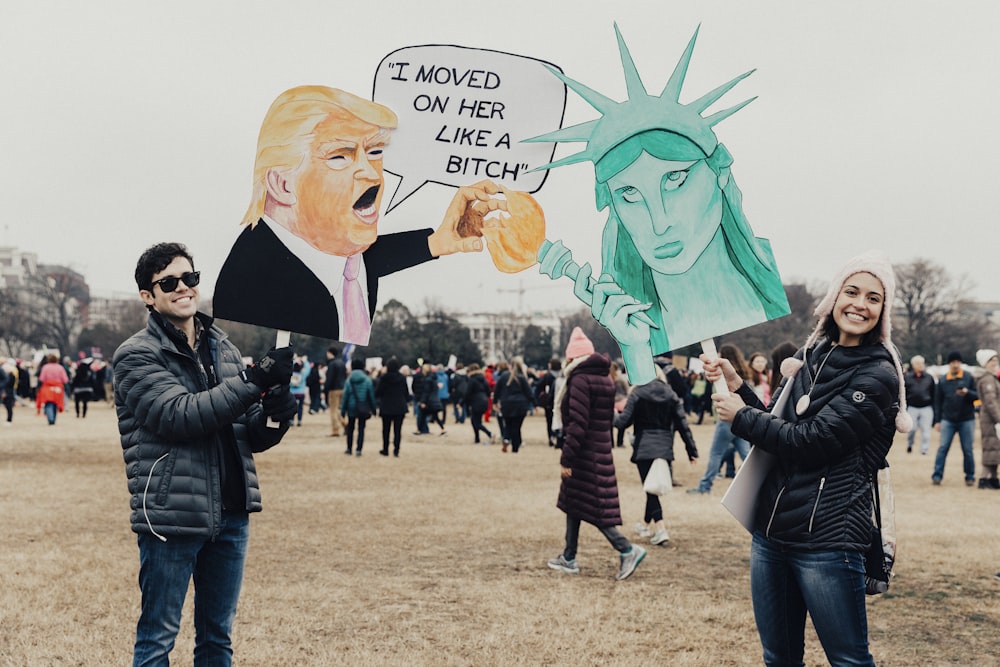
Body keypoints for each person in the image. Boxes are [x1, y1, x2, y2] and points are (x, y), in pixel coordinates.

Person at [535, 27, 788, 386]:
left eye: (676, 179)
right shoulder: (635, 319)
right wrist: (635, 348)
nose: (659, 222)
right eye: (629, 194)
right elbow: (647, 410)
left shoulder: (761, 287)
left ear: (719, 169)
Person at [703, 252, 910, 666]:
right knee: (778, 657)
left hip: (829, 542)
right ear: (834, 298)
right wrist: (739, 386)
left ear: (882, 311)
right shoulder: (810, 354)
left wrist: (739, 418)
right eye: (851, 292)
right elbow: (777, 422)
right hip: (771, 535)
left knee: (848, 660)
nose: (860, 304)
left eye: (873, 298)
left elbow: (812, 441)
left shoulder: (879, 375)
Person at [113, 242, 296, 666]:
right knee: (158, 638)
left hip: (231, 512)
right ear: (148, 296)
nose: (183, 288)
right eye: (169, 282)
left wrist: (274, 415)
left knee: (218, 639)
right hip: (173, 513)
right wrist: (254, 381)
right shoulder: (137, 354)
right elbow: (179, 416)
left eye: (189, 278)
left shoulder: (224, 348)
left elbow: (248, 432)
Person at [213, 85, 506, 344]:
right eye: (340, 156)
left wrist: (439, 240)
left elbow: (368, 261)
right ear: (283, 184)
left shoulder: (335, 250)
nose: (371, 173)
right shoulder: (251, 284)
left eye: (375, 152)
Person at [546, 327, 646, 581]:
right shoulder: (604, 378)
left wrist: (566, 457)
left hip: (584, 452)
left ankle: (626, 549)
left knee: (595, 508)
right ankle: (569, 556)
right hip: (599, 447)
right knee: (574, 502)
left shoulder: (579, 379)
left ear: (572, 357)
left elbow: (578, 424)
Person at [615, 366, 697, 546]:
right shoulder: (671, 394)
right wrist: (692, 451)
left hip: (644, 447)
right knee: (650, 488)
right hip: (664, 447)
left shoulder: (637, 393)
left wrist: (609, 413)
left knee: (650, 490)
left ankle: (661, 529)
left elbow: (622, 422)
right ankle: (644, 525)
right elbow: (683, 425)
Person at [689, 344, 752, 495]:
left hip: (725, 420)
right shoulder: (743, 373)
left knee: (716, 454)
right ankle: (756, 482)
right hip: (741, 418)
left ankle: (705, 486)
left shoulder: (720, 374)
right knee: (747, 455)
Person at [932, 350, 978, 486]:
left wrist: (967, 392)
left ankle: (970, 476)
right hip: (948, 419)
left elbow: (977, 396)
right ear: (949, 364)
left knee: (968, 450)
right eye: (953, 362)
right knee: (943, 448)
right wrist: (937, 421)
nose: (956, 364)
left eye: (958, 362)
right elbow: (937, 402)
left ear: (961, 363)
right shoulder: (943, 380)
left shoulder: (969, 377)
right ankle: (937, 476)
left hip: (967, 419)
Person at [494, 356, 533, 453]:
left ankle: (506, 438)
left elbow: (497, 390)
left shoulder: (503, 376)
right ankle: (515, 447)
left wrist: (495, 402)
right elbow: (528, 392)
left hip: (506, 403)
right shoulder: (522, 377)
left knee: (507, 424)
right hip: (520, 404)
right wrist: (535, 403)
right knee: (516, 426)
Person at [974, 349, 1000, 489]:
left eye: (996, 359)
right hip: (990, 419)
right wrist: (998, 419)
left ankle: (993, 477)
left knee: (994, 448)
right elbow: (991, 402)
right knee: (991, 448)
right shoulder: (987, 379)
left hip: (992, 418)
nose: (995, 362)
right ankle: (985, 478)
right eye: (992, 360)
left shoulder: (991, 377)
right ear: (986, 363)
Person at [341, 359, 377, 456]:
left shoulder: (349, 380)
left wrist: (343, 410)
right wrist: (374, 409)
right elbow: (371, 396)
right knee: (361, 428)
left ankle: (349, 448)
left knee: (350, 428)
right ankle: (359, 449)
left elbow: (345, 396)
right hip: (363, 407)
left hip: (351, 407)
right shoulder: (367, 380)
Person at [375, 357, 409, 457]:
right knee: (397, 430)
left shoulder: (384, 378)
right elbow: (406, 392)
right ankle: (396, 450)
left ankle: (385, 449)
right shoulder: (402, 378)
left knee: (386, 430)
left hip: (386, 406)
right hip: (399, 406)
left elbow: (378, 392)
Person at [904, 354, 936, 454]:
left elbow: (934, 393)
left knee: (926, 431)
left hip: (926, 407)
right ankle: (910, 444)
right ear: (913, 365)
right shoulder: (907, 377)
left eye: (922, 363)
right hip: (912, 407)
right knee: (911, 429)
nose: (921, 365)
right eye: (918, 363)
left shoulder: (929, 378)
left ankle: (924, 450)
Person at [463, 363, 495, 444]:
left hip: (476, 402)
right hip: (484, 401)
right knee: (476, 421)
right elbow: (488, 391)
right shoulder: (483, 379)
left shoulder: (472, 380)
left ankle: (490, 434)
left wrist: (462, 402)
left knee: (476, 422)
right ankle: (477, 438)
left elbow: (468, 393)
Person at [36, 354, 68, 425]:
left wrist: (39, 387)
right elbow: (65, 379)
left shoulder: (45, 367)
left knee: (48, 403)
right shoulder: (60, 368)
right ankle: (53, 418)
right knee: (56, 404)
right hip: (58, 388)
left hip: (47, 387)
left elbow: (41, 378)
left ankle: (50, 418)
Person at [417, 363, 446, 436]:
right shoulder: (433, 379)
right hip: (434, 400)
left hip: (429, 401)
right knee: (434, 416)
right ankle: (443, 429)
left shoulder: (427, 380)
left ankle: (419, 430)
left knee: (423, 415)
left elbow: (426, 392)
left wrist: (423, 401)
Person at [324, 346, 347, 437]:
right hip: (342, 388)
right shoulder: (342, 363)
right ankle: (345, 423)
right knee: (338, 409)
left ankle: (335, 430)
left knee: (333, 410)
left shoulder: (332, 364)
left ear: (330, 353)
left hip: (333, 389)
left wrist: (326, 389)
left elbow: (330, 378)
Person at [289, 357, 309, 426]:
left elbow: (290, 365)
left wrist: (295, 360)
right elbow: (308, 369)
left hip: (292, 393)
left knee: (291, 407)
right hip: (301, 393)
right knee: (300, 407)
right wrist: (305, 361)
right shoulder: (302, 374)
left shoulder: (290, 374)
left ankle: (291, 420)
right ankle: (299, 421)